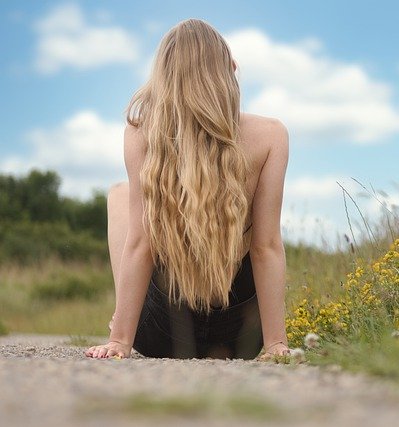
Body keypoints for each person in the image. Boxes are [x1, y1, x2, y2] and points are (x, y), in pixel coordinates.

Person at [84, 18, 291, 361]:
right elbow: (265, 246)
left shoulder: (139, 135)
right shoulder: (271, 136)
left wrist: (120, 342)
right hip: (242, 334)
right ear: (230, 69)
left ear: (164, 76)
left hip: (160, 333)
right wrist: (275, 346)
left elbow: (141, 242)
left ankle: (119, 326)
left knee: (120, 194)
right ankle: (271, 340)